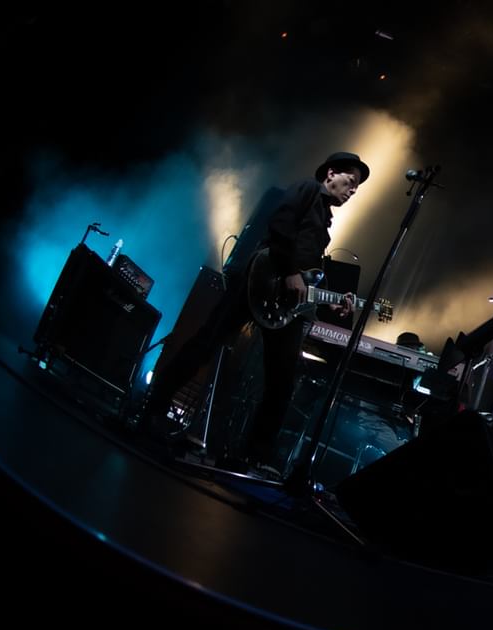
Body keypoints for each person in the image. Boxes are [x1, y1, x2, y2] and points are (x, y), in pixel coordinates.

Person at [141, 152, 370, 478]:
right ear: (331, 173)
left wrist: (330, 301)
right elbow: (280, 225)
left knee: (282, 379)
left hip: (283, 304)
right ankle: (153, 411)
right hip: (259, 280)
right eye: (351, 181)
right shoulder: (307, 189)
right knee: (207, 342)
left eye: (357, 187)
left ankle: (254, 457)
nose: (353, 190)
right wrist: (290, 271)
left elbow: (309, 274)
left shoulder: (325, 224)